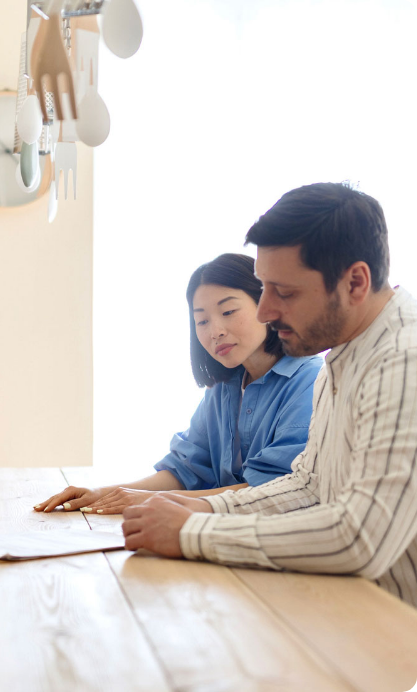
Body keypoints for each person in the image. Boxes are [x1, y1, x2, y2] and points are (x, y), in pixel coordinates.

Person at [122, 182, 417, 608]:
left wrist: (193, 532)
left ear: (355, 281)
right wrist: (202, 511)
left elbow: (360, 536)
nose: (264, 312)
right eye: (264, 289)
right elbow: (308, 485)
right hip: (353, 612)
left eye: (286, 292)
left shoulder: (402, 360)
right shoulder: (344, 358)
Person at [35, 253, 323, 515]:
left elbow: (275, 490)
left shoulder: (309, 380)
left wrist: (157, 501)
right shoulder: (226, 386)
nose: (216, 332)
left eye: (228, 312)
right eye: (201, 321)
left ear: (266, 307)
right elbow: (186, 469)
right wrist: (104, 492)